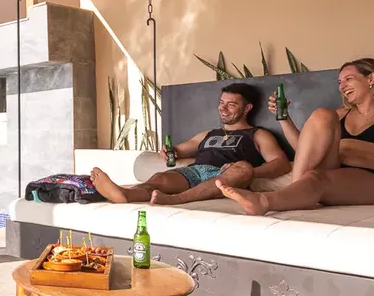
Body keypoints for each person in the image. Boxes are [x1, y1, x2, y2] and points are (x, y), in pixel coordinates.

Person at [218, 58, 374, 215]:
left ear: (371, 79)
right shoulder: (339, 114)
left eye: (348, 79)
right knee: (322, 115)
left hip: (369, 178)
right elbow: (304, 149)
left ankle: (264, 201)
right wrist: (283, 118)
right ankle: (296, 192)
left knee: (316, 178)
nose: (342, 86)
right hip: (332, 167)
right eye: (339, 82)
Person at [91, 83, 290, 205]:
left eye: (231, 104)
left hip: (226, 174)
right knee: (160, 178)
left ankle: (176, 199)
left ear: (247, 108)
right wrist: (170, 150)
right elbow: (179, 149)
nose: (223, 108)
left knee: (243, 168)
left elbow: (280, 163)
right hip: (196, 172)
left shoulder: (258, 134)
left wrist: (251, 171)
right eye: (222, 102)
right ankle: (125, 193)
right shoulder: (208, 134)